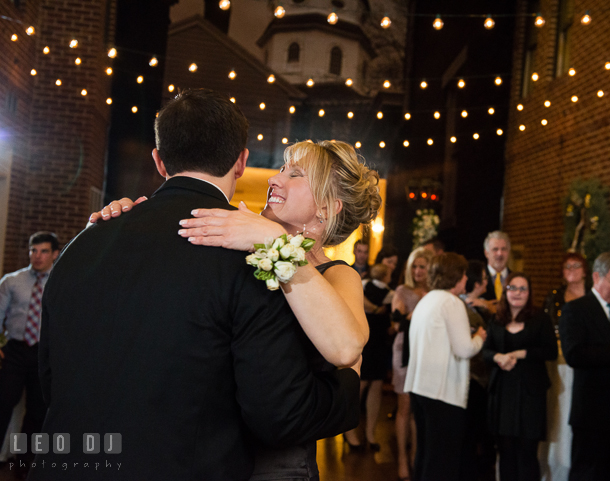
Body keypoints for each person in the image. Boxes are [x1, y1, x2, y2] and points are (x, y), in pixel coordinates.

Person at [35, 89, 365, 480]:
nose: (276, 178)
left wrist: (273, 244)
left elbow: (343, 350)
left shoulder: (300, 263)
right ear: (241, 162)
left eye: (295, 173)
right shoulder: (238, 246)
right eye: (282, 168)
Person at [559, 252, 610, 481]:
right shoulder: (576, 310)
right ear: (597, 277)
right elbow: (574, 354)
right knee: (588, 473)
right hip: (592, 413)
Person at [404, 253, 487, 481]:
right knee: (442, 462)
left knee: (426, 455)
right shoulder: (451, 302)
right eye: (463, 275)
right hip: (442, 393)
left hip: (420, 388)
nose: (465, 280)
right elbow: (464, 349)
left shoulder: (428, 299)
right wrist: (479, 337)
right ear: (456, 277)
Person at [483, 273, 558, 481]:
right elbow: (485, 351)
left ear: (529, 293)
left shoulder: (540, 319)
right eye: (512, 288)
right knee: (506, 452)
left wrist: (521, 353)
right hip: (503, 392)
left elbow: (550, 351)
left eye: (523, 289)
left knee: (527, 452)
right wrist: (498, 356)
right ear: (505, 292)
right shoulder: (496, 319)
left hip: (530, 394)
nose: (517, 293)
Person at [0, 232, 59, 474]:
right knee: (3, 404)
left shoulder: (60, 282)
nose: (37, 256)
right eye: (33, 250)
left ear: (55, 254)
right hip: (14, 351)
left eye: (44, 251)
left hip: (42, 356)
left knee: (37, 411)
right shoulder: (11, 281)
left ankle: (25, 464)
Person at [390, 247, 432, 481]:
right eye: (414, 266)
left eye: (422, 266)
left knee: (420, 408)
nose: (417, 271)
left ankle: (417, 456)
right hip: (405, 350)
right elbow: (397, 322)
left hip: (427, 351)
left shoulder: (435, 291)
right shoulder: (402, 290)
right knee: (405, 406)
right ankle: (402, 460)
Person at [459, 260, 495, 481]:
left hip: (479, 376)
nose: (486, 283)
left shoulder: (480, 305)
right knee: (471, 431)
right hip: (471, 375)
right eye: (483, 278)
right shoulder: (464, 307)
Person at [354, 263, 393, 451]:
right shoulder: (364, 284)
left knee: (375, 385)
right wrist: (377, 310)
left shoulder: (389, 292)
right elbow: (359, 302)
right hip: (365, 341)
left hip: (378, 343)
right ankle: (350, 432)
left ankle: (370, 433)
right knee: (360, 384)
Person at [543, 253, 589, 330]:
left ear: (584, 272)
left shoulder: (593, 296)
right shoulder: (554, 297)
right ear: (563, 273)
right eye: (567, 266)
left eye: (576, 266)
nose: (571, 269)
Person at [481, 231, 512, 313]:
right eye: (495, 249)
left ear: (508, 252)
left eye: (503, 249)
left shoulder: (516, 279)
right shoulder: (477, 278)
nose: (500, 253)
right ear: (486, 253)